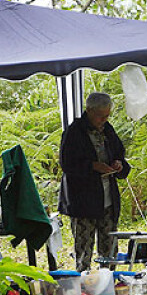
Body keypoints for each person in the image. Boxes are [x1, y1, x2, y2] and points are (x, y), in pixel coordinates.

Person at [58, 92, 131, 272]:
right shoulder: (74, 132)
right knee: (84, 250)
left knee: (109, 248)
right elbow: (67, 164)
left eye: (107, 116)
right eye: (100, 116)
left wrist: (119, 165)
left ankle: (109, 285)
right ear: (89, 111)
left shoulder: (108, 130)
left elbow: (120, 154)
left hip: (107, 200)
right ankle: (85, 287)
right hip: (83, 203)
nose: (103, 120)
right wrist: (92, 166)